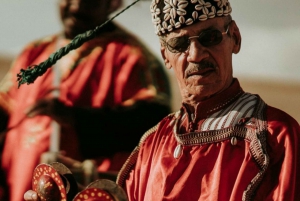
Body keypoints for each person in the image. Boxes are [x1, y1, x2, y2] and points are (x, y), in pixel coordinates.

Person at [24, 0, 300, 200]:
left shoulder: (274, 138)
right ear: (166, 56)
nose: (195, 55)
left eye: (210, 37)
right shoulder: (153, 143)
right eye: (179, 44)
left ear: (235, 38)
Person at [0, 0, 171, 200]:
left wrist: (75, 119)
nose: (76, 7)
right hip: (18, 188)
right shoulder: (33, 54)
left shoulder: (131, 57)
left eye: (88, 1)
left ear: (113, 4)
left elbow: (153, 126)